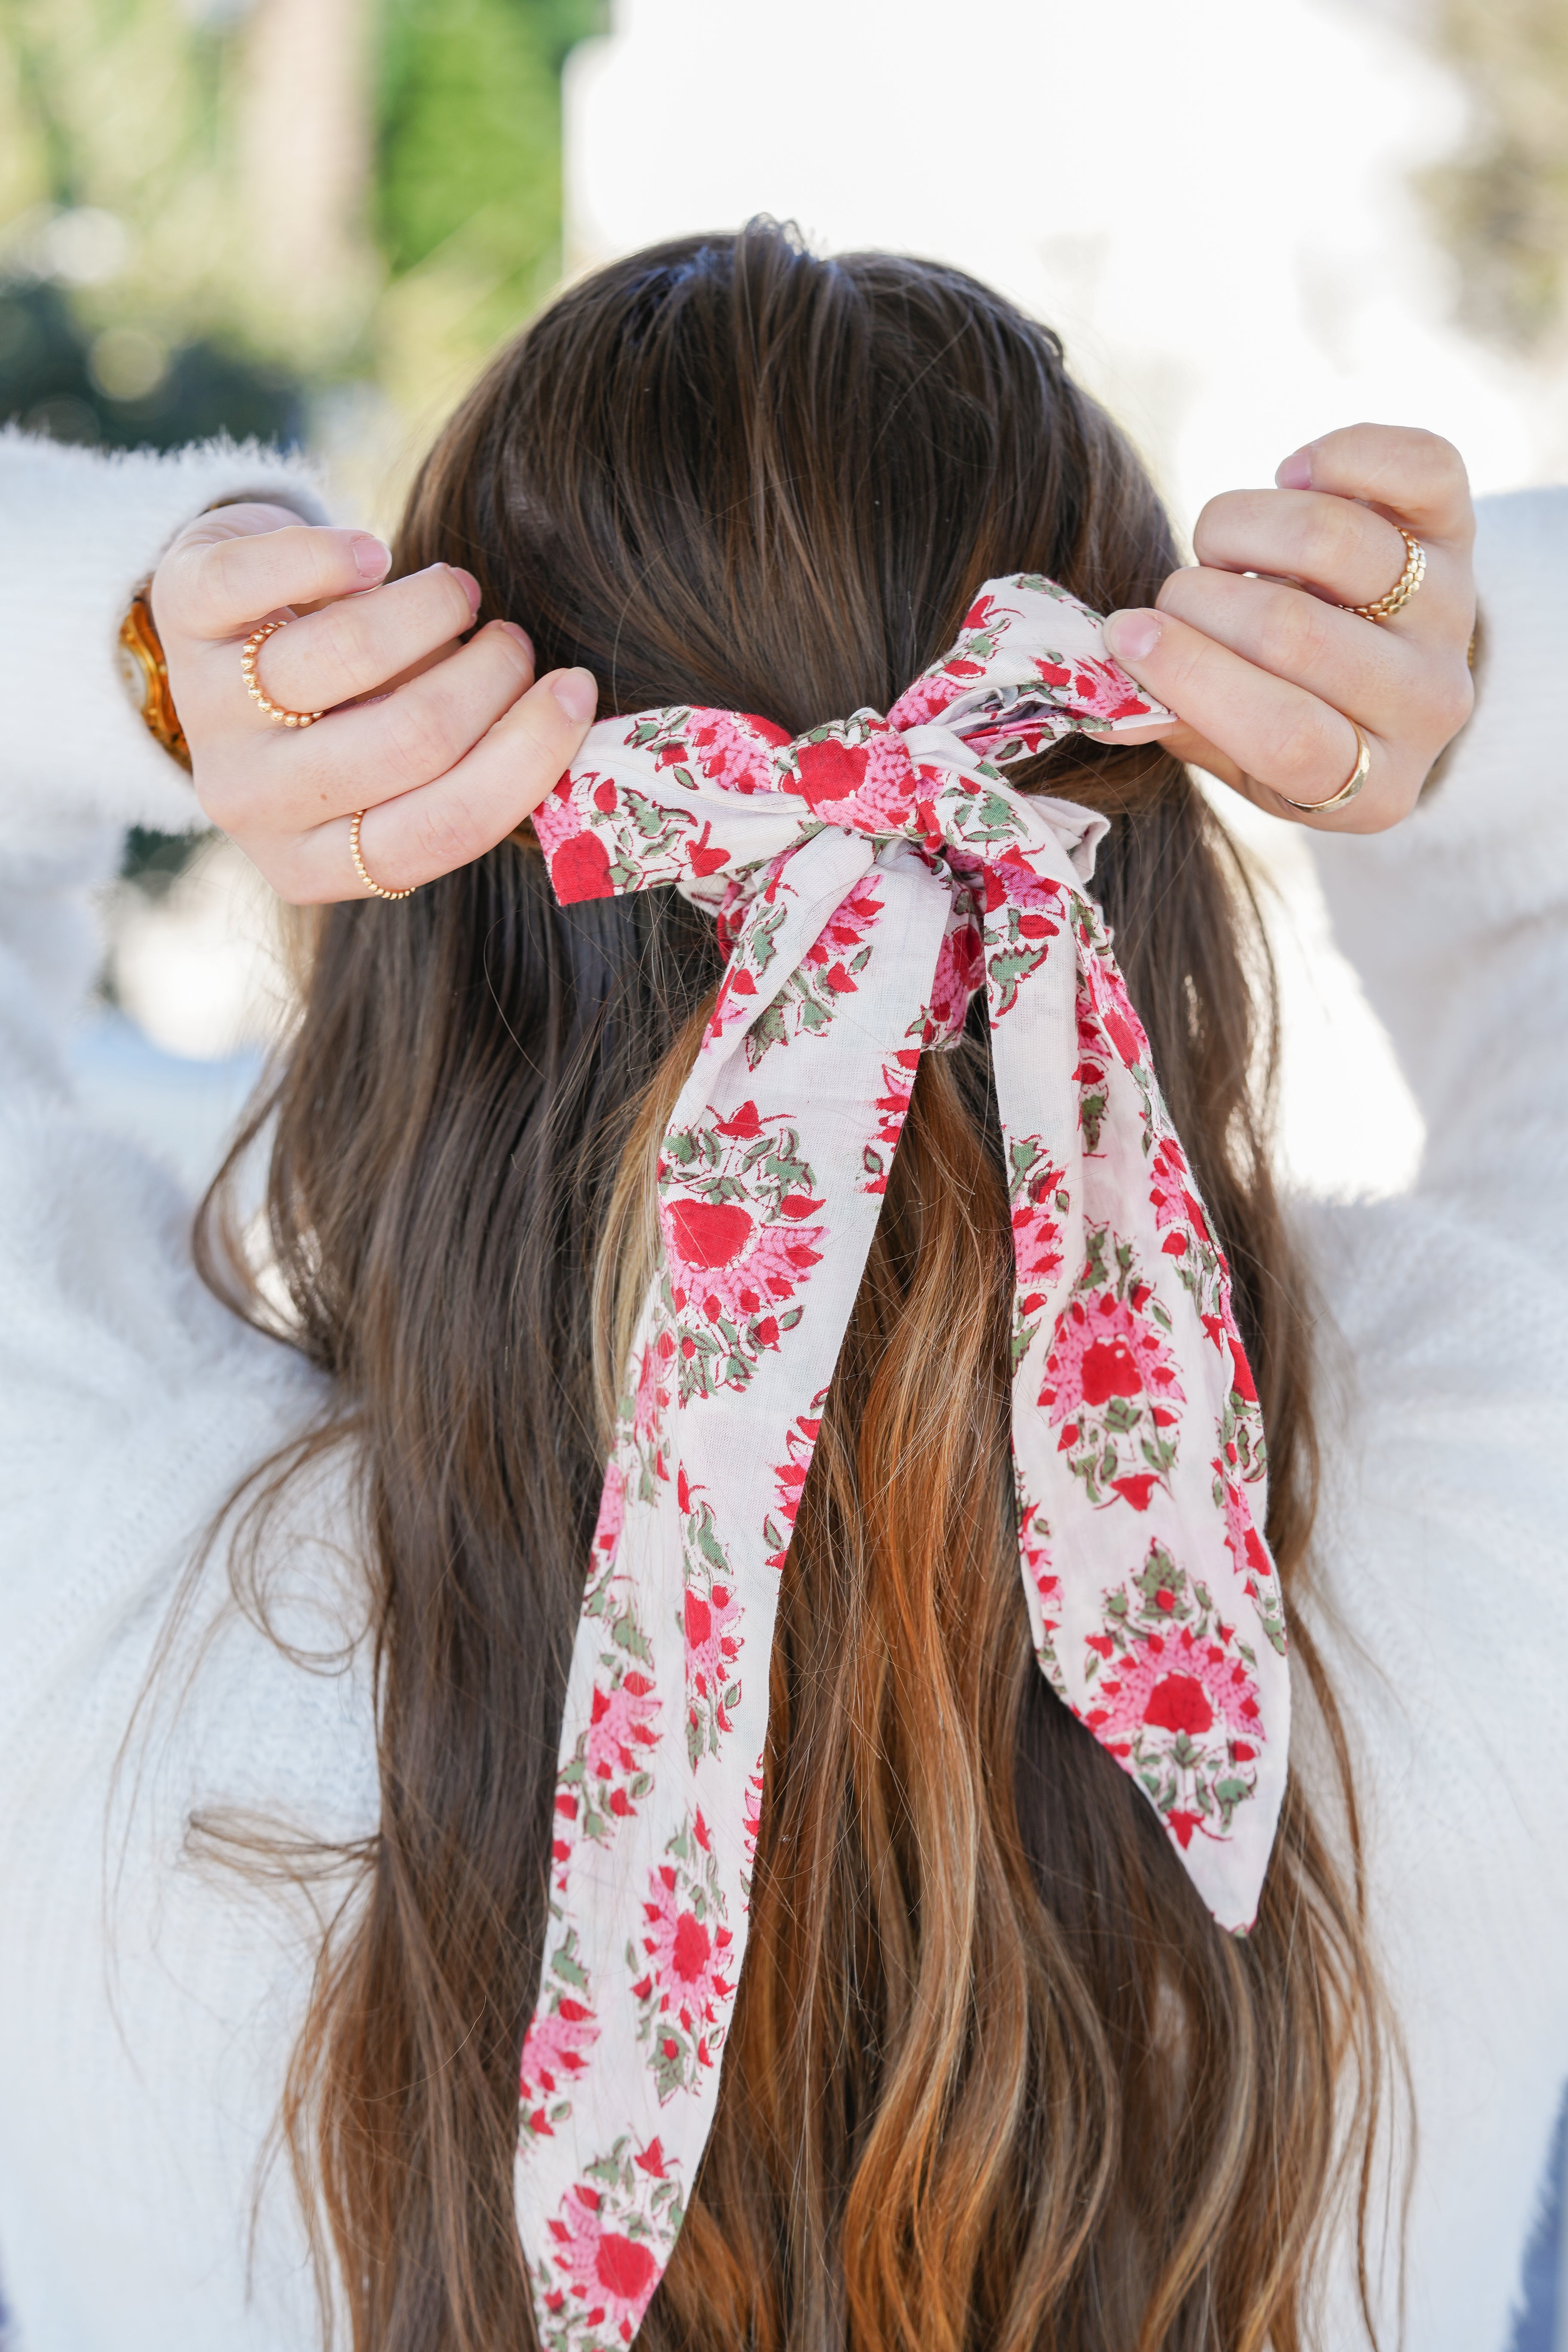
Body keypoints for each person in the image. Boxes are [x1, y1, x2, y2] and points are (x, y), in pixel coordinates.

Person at [0, 222, 1559, 2352]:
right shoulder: (1489, 1489)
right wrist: (1440, 693)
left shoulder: (80, 1557)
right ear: (1158, 841)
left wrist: (176, 636)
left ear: (409, 897)